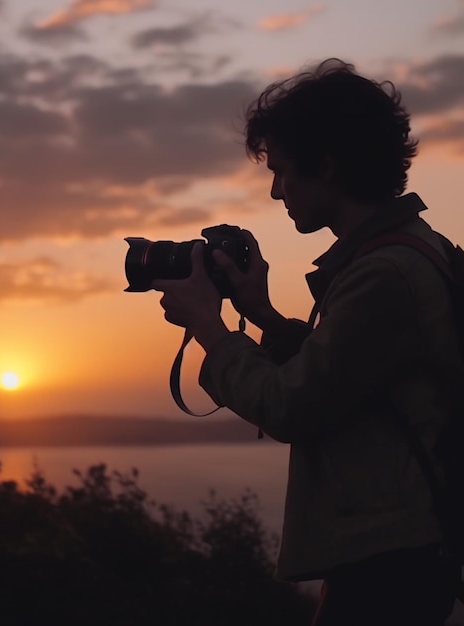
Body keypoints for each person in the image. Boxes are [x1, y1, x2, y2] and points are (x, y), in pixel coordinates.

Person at [152, 58, 462, 625]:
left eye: (284, 170)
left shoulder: (385, 273)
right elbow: (351, 375)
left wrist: (209, 329)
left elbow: (292, 406)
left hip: (389, 558)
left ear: (327, 164)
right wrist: (263, 315)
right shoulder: (409, 249)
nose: (275, 191)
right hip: (407, 545)